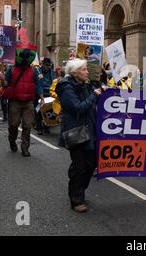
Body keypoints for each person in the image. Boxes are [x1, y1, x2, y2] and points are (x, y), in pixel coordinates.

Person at [56, 58, 103, 213]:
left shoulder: (86, 85)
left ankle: (79, 188)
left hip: (90, 130)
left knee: (90, 165)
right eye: (84, 69)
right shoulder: (66, 87)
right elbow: (78, 107)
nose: (87, 72)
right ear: (75, 73)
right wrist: (94, 96)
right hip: (75, 132)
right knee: (80, 167)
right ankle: (76, 199)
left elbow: (95, 99)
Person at [1, 28, 44, 157]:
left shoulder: (33, 70)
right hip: (14, 101)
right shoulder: (11, 69)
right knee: (13, 125)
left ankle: (25, 148)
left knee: (27, 126)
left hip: (28, 102)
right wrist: (2, 81)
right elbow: (6, 85)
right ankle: (12, 140)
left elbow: (38, 84)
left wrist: (41, 96)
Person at [36, 58, 55, 135]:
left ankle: (46, 126)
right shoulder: (38, 71)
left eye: (49, 65)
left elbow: (53, 81)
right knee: (39, 111)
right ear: (43, 64)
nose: (48, 67)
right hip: (39, 93)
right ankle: (39, 128)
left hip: (49, 93)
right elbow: (38, 84)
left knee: (48, 111)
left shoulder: (51, 72)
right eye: (47, 65)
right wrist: (41, 96)